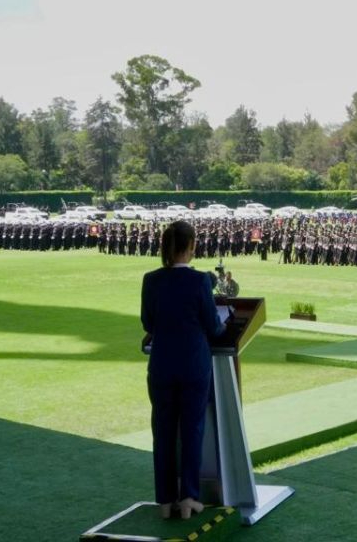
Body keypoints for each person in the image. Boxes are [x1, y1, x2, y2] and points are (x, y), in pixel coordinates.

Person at [141, 220, 224, 520]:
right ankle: (189, 497)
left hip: (161, 365)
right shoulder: (200, 280)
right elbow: (213, 326)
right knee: (192, 431)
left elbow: (148, 324)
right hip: (193, 365)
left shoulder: (150, 280)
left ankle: (164, 500)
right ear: (191, 247)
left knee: (162, 433)